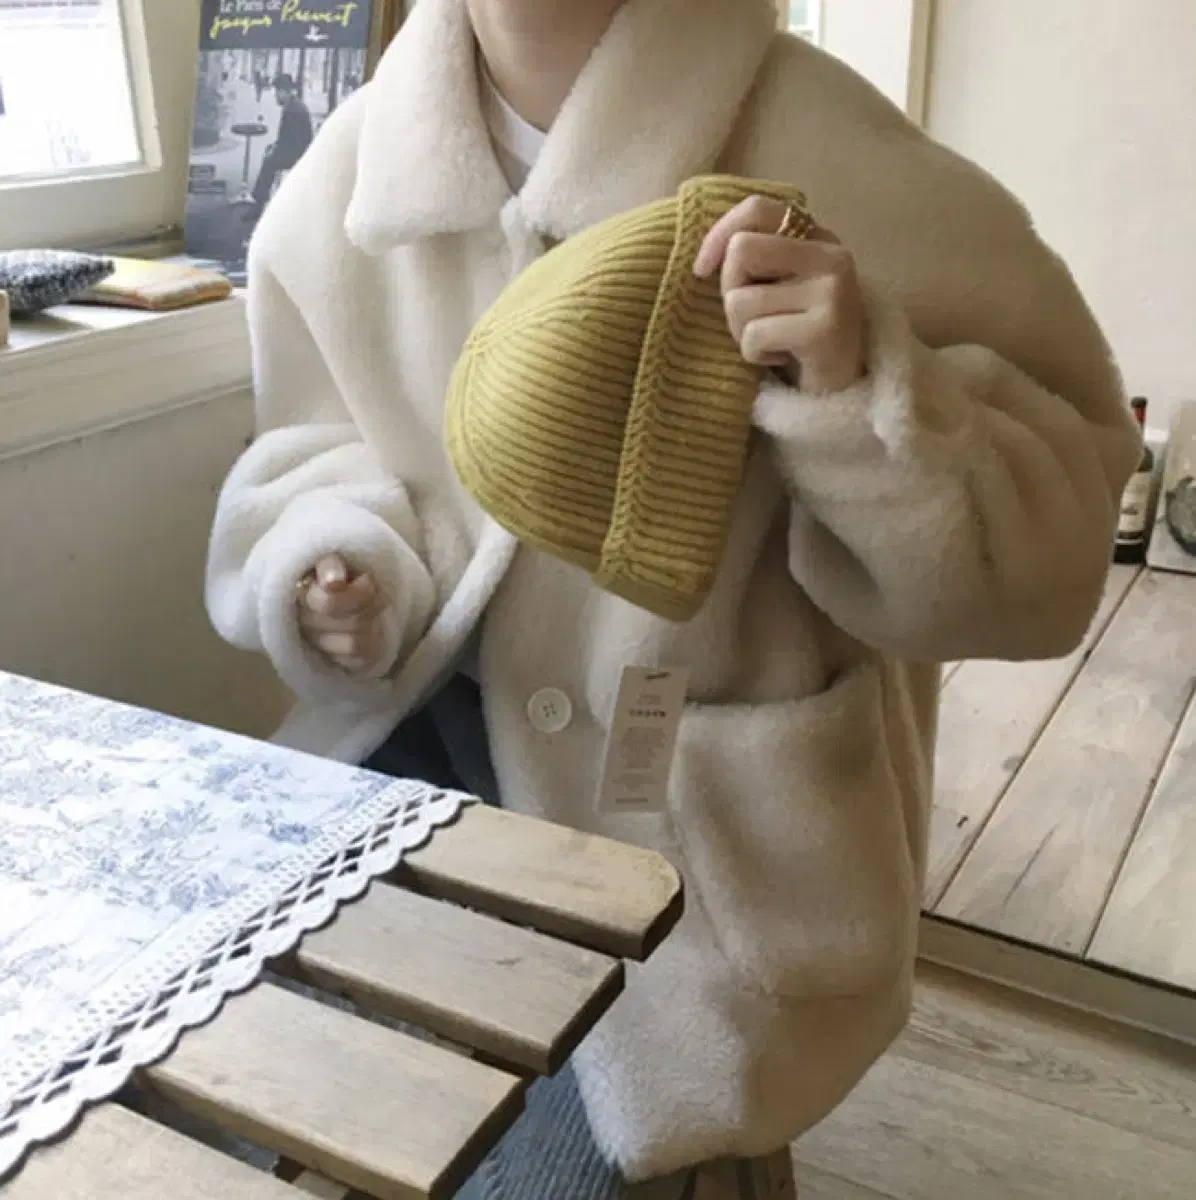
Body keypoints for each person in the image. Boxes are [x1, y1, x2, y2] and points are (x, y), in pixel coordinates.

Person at [204, 0, 1141, 1195]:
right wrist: (337, 562)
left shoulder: (834, 148)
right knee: (260, 1110)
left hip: (701, 856)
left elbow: (1048, 559)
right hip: (416, 774)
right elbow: (319, 441)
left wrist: (860, 390)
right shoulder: (341, 185)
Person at [250, 73, 313, 212]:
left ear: (284, 91)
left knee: (269, 162)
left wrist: (276, 150)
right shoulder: (293, 105)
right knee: (269, 153)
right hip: (298, 149)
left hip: (298, 153)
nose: (276, 96)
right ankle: (260, 198)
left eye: (277, 92)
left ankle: (258, 203)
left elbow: (294, 140)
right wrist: (275, 147)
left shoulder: (293, 110)